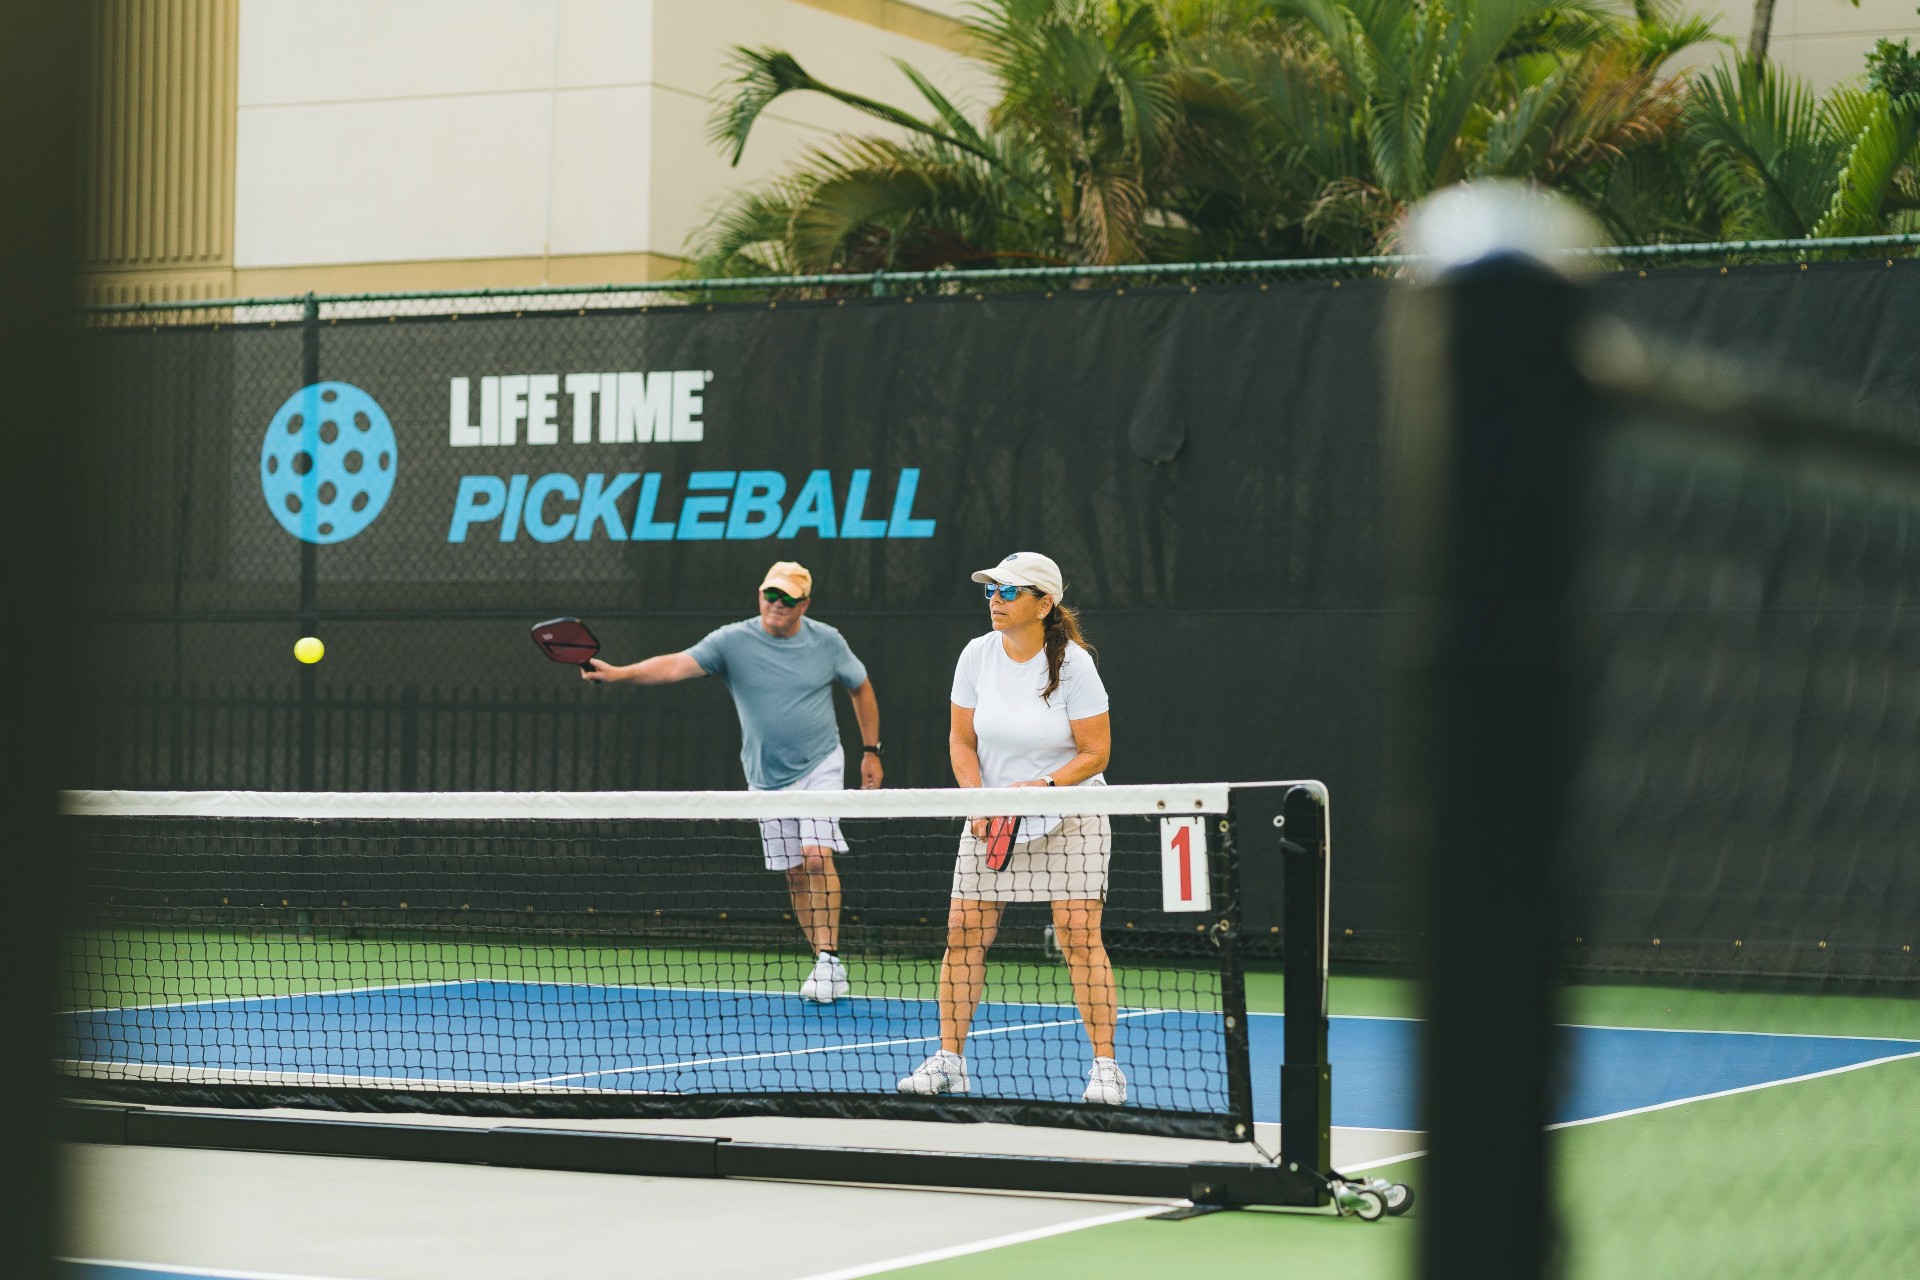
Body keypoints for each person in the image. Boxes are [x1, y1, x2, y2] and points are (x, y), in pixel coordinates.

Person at [583, 561, 882, 1003]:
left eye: (787, 598)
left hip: (821, 763)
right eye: (770, 594)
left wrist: (871, 750)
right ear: (760, 595)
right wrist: (618, 673)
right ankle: (821, 959)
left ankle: (829, 958)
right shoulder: (731, 641)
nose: (776, 604)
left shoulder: (828, 642)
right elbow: (674, 666)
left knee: (817, 857)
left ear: (804, 604)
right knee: (795, 873)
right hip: (766, 777)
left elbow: (861, 687)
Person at [895, 551, 1124, 1105]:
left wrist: (1043, 787)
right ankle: (950, 1061)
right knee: (962, 933)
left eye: (1009, 591)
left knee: (1078, 936)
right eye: (991, 590)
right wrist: (979, 801)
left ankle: (1106, 1069)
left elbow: (1096, 752)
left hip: (1071, 815)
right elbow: (961, 740)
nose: (995, 600)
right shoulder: (976, 655)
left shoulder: (1074, 665)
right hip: (993, 819)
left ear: (1044, 604)